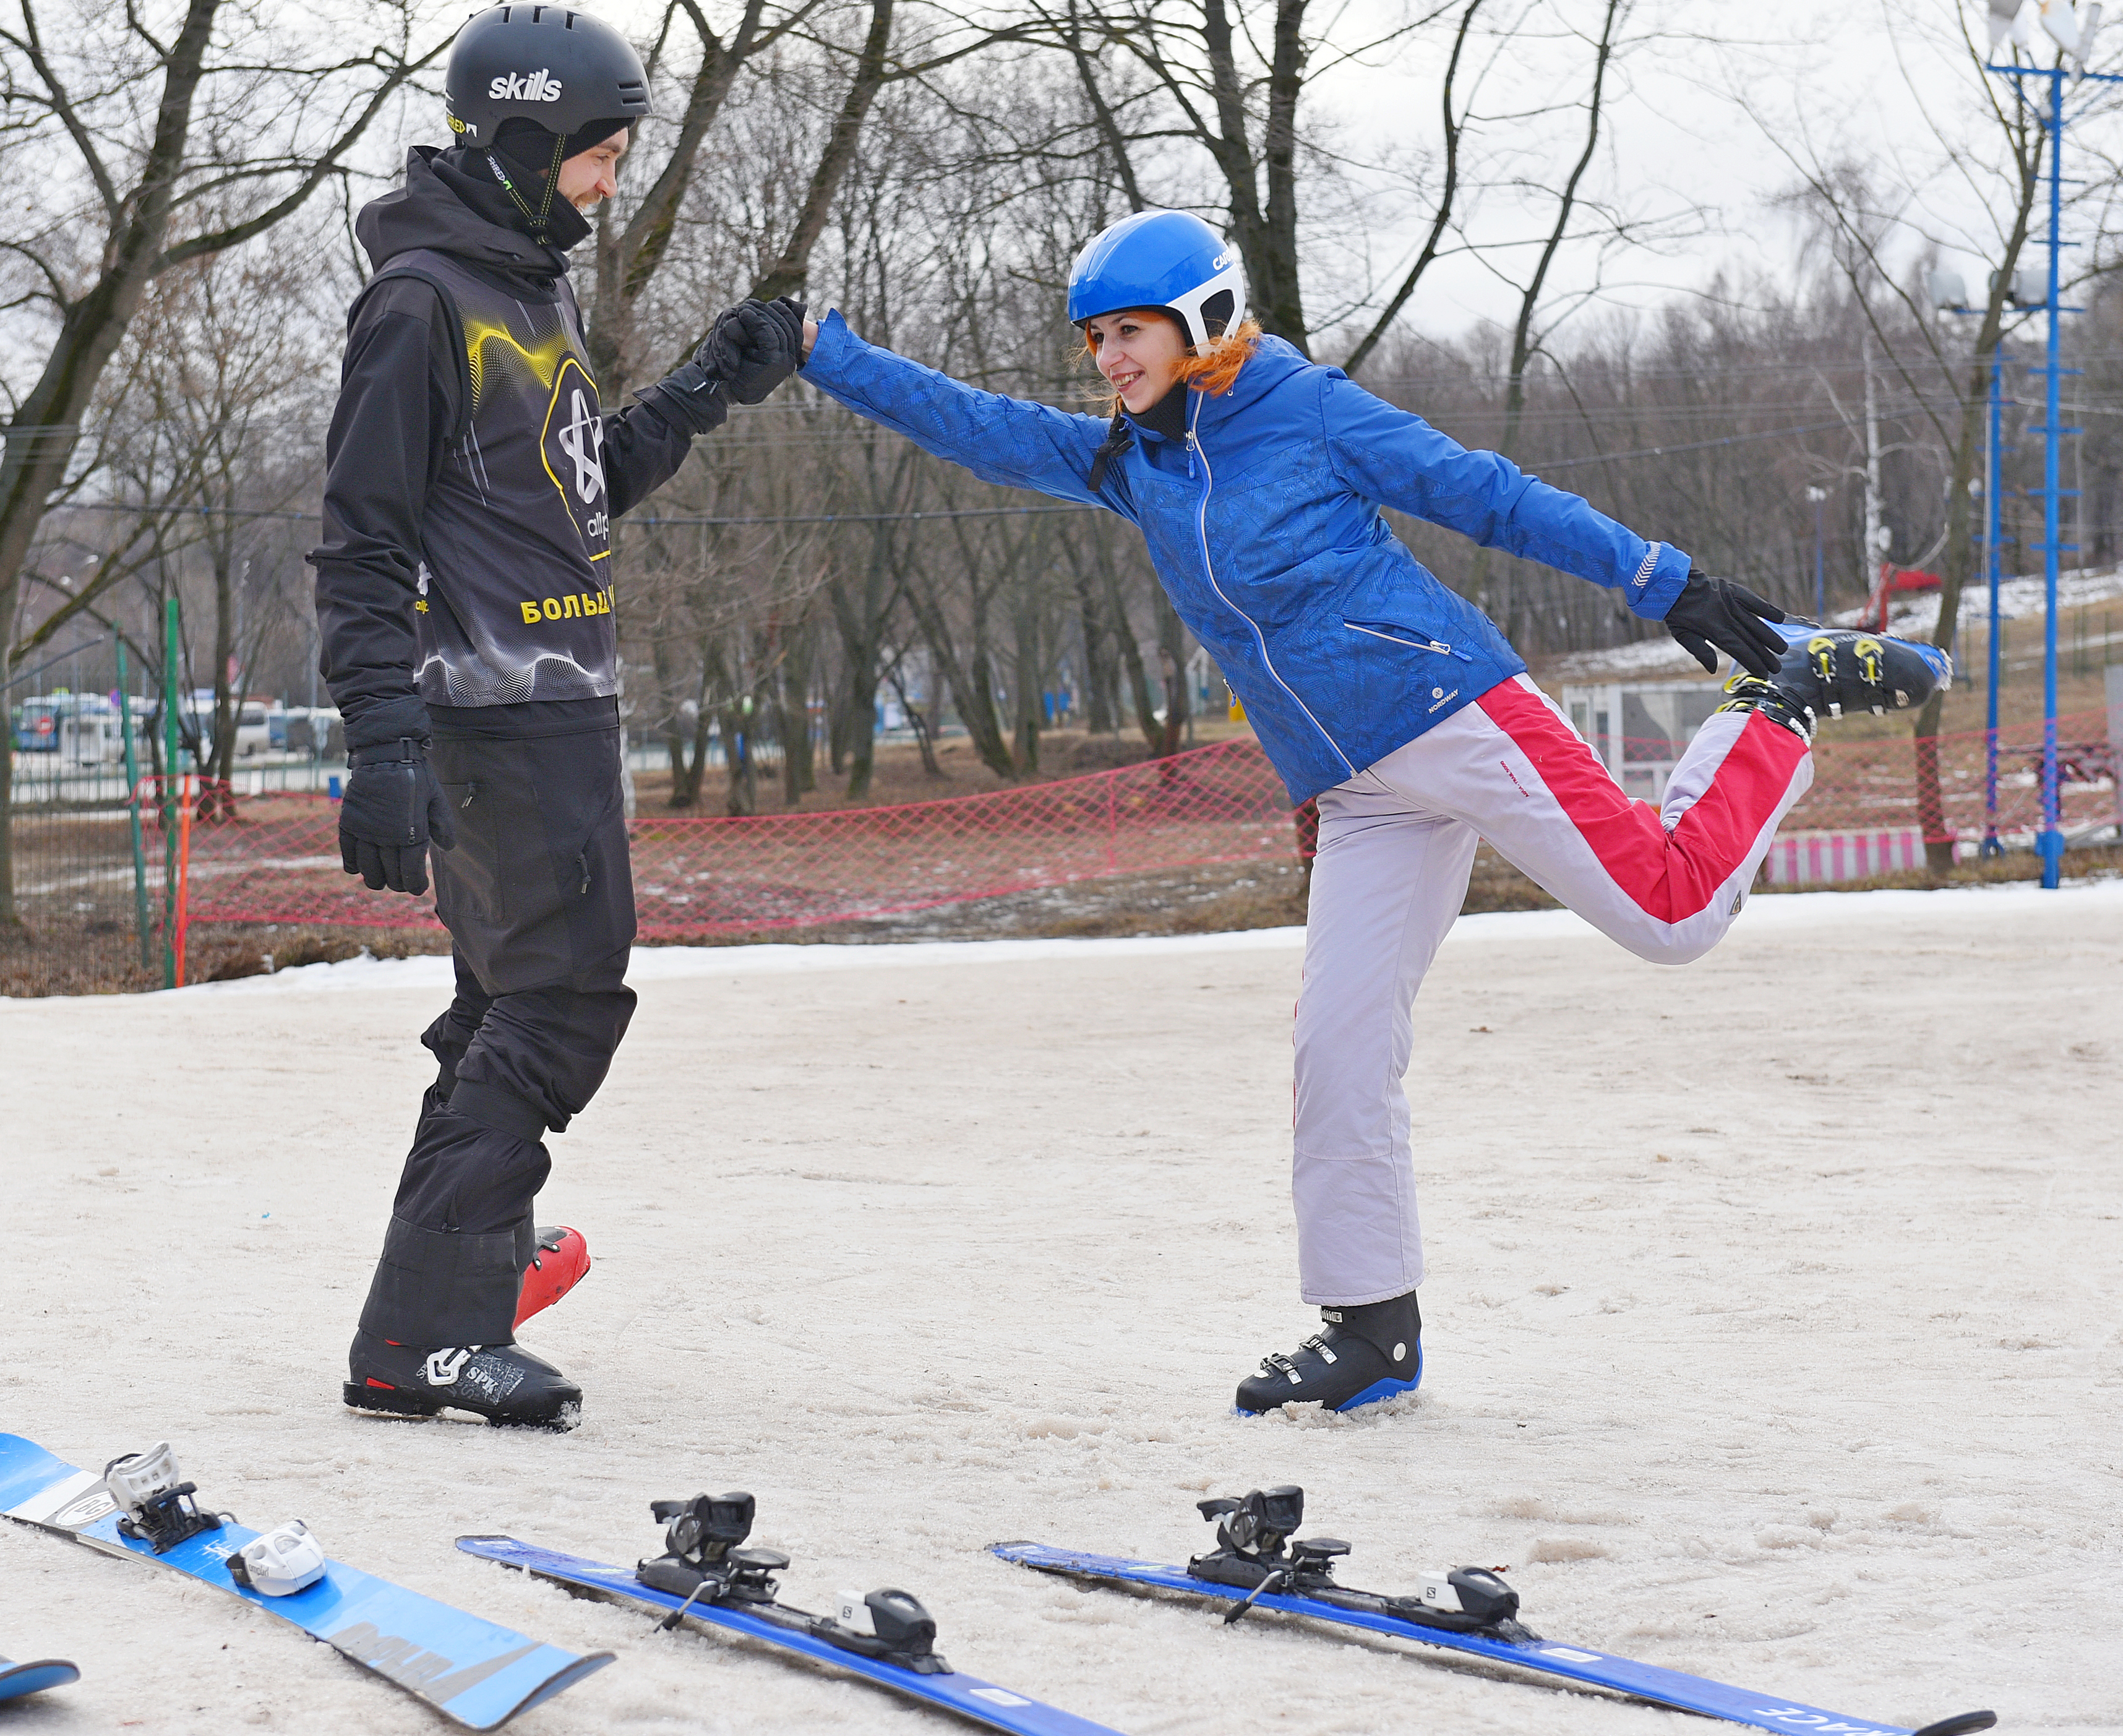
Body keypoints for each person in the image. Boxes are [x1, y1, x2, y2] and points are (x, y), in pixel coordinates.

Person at [794, 208, 1949, 1416]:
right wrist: (827, 351)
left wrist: (1663, 580)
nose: (1107, 360)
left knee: (1668, 912)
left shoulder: (1303, 409)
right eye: (1094, 340)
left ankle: (1778, 701)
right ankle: (1368, 1330)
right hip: (1353, 790)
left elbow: (1482, 494)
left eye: (1127, 332)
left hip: (1450, 706)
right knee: (1335, 1049)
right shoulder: (1130, 462)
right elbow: (973, 430)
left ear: (1198, 321)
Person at [311, 6, 804, 1430]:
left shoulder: (531, 293)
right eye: (596, 155)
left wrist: (709, 387)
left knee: (503, 1007)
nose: (607, 181)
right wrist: (381, 741)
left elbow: (573, 493)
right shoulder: (422, 303)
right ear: (526, 143)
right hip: (493, 719)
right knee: (559, 1004)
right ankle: (428, 1341)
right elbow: (362, 540)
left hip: (562, 710)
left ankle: (445, 1292)